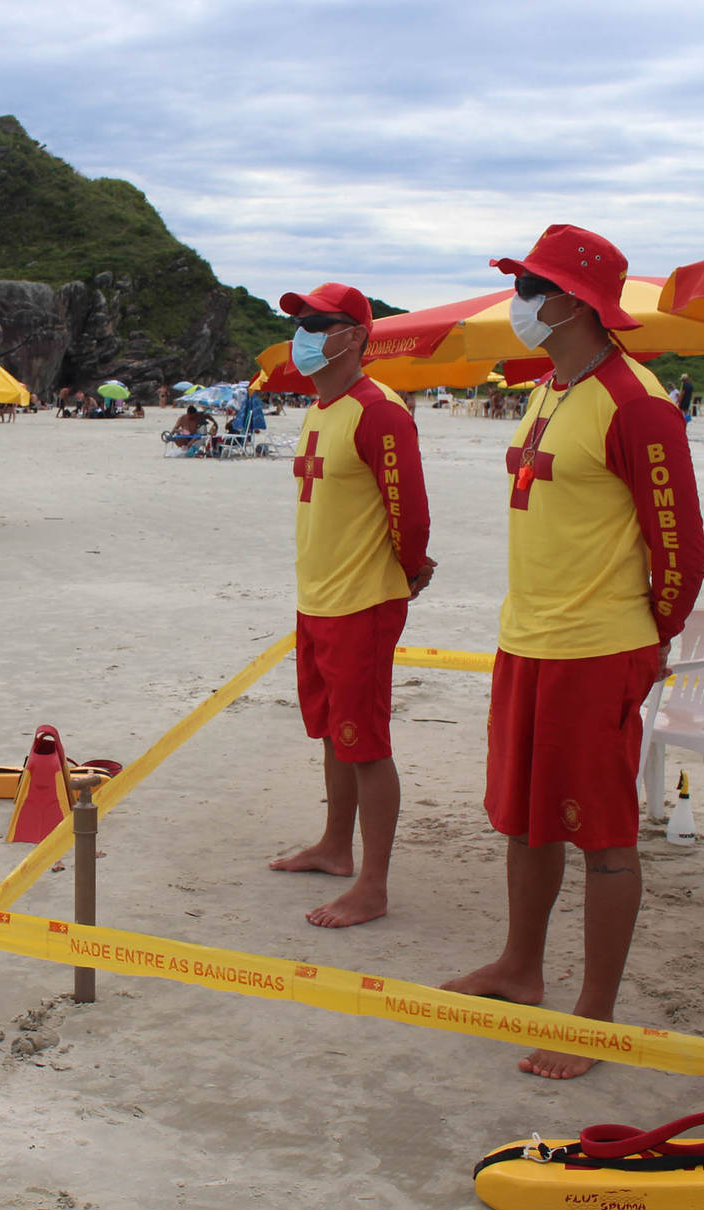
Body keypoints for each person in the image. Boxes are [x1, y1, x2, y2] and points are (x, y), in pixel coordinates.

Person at [442, 225, 704, 1079]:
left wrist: (650, 643)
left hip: (598, 649)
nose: (519, 299)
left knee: (602, 834)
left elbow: (681, 547)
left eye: (530, 286)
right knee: (523, 815)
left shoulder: (637, 403)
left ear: (572, 302)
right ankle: (521, 967)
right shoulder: (552, 386)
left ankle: (595, 1015)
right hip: (529, 637)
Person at [266, 282, 434, 929]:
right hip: (318, 599)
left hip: (362, 603)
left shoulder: (379, 410)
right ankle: (336, 846)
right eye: (301, 322)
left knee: (365, 742)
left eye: (320, 323)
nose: (305, 332)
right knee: (337, 731)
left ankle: (374, 882)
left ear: (357, 336)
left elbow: (410, 513)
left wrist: (410, 572)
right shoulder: (321, 407)